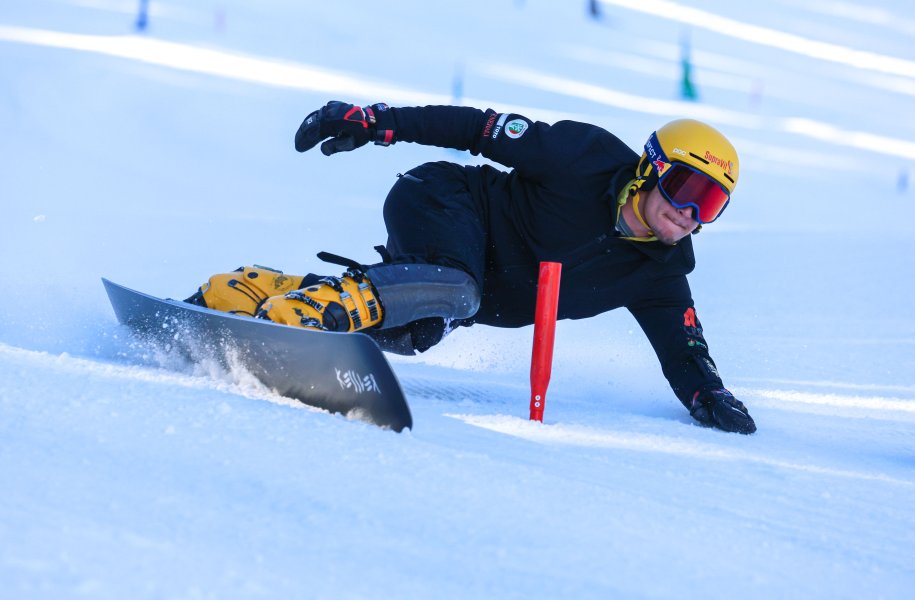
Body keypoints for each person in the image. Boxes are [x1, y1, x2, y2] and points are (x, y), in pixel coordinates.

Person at [187, 101, 757, 434]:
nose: (687, 214)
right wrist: (376, 121)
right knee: (455, 291)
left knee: (418, 330)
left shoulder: (659, 275)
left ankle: (256, 293)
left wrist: (708, 396)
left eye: (709, 204)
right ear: (650, 168)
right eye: (685, 189)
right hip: (443, 199)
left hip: (457, 286)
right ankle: (308, 318)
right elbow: (476, 128)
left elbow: (686, 352)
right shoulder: (583, 158)